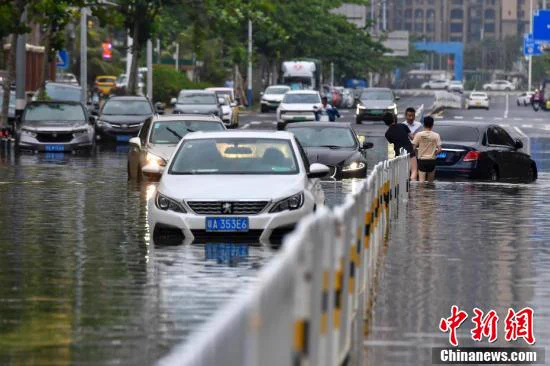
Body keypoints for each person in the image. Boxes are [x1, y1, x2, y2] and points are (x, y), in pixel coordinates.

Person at [383, 112, 418, 180]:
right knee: (414, 171)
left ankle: (404, 189)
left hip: (399, 155)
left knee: (403, 174)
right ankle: (413, 188)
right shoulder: (403, 125)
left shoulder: (387, 134)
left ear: (385, 122)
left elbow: (392, 145)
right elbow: (412, 137)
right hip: (410, 152)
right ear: (393, 119)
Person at [412, 116, 442, 183]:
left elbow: (413, 148)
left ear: (423, 124)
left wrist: (417, 154)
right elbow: (440, 149)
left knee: (421, 182)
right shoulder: (436, 135)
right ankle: (430, 193)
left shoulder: (418, 135)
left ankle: (422, 193)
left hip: (422, 160)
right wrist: (434, 154)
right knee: (431, 183)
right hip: (432, 160)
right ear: (432, 124)